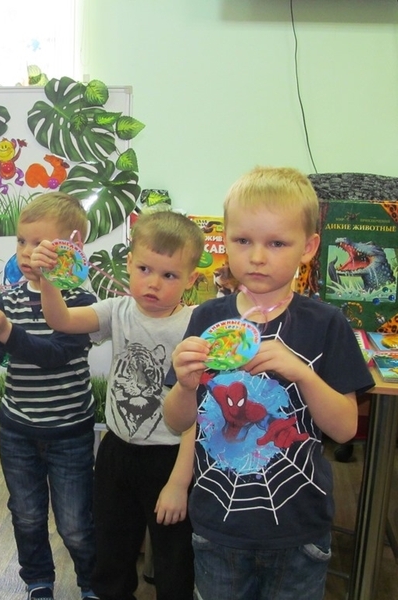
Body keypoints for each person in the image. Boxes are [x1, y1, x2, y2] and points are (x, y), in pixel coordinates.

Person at [163, 166, 375, 600]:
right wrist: (184, 385)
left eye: (277, 243)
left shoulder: (326, 324)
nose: (257, 257)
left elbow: (345, 429)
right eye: (243, 241)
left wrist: (301, 372)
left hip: (300, 530)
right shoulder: (206, 318)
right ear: (226, 240)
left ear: (308, 247)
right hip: (217, 527)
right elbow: (177, 421)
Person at [31, 210, 203, 600]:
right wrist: (48, 280)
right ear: (129, 263)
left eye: (169, 275)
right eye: (144, 269)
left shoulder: (195, 324)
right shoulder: (117, 310)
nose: (153, 283)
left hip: (171, 457)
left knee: (175, 561)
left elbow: (198, 411)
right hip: (116, 452)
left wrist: (180, 482)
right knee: (111, 555)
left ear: (191, 280)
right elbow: (61, 320)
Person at [0, 192, 99, 600]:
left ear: (70, 248)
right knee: (26, 514)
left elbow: (54, 356)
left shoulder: (82, 303)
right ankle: (38, 580)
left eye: (39, 243)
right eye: (22, 241)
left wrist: (6, 331)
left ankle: (92, 582)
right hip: (17, 430)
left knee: (75, 523)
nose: (26, 251)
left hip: (70, 432)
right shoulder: (10, 298)